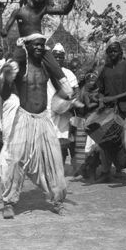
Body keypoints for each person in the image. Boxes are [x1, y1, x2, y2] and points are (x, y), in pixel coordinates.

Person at [0, 34, 72, 218]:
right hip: (23, 118)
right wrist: (5, 77)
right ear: (27, 46)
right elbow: (5, 93)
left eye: (42, 45)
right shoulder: (20, 67)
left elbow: (62, 89)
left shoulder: (47, 67)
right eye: (35, 45)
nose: (39, 47)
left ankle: (57, 201)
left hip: (44, 119)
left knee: (54, 161)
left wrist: (68, 97)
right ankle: (9, 202)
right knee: (14, 161)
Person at [1, 0, 80, 95]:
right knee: (13, 67)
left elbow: (64, 11)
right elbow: (5, 29)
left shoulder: (42, 10)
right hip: (25, 45)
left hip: (40, 45)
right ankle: (7, 91)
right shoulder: (18, 12)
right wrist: (4, 31)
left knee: (56, 69)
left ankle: (69, 94)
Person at [94, 39, 126, 183]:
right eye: (110, 51)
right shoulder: (105, 69)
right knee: (105, 141)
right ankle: (106, 172)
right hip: (108, 111)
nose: (113, 53)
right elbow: (100, 90)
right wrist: (101, 100)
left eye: (115, 50)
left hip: (125, 109)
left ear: (121, 52)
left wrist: (115, 97)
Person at [47, 42, 80, 173]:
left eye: (61, 56)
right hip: (49, 112)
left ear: (64, 57)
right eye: (55, 56)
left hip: (66, 113)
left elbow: (77, 92)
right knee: (52, 141)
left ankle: (76, 168)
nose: (58, 59)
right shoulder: (45, 73)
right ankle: (56, 168)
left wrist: (70, 103)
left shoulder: (69, 74)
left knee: (68, 139)